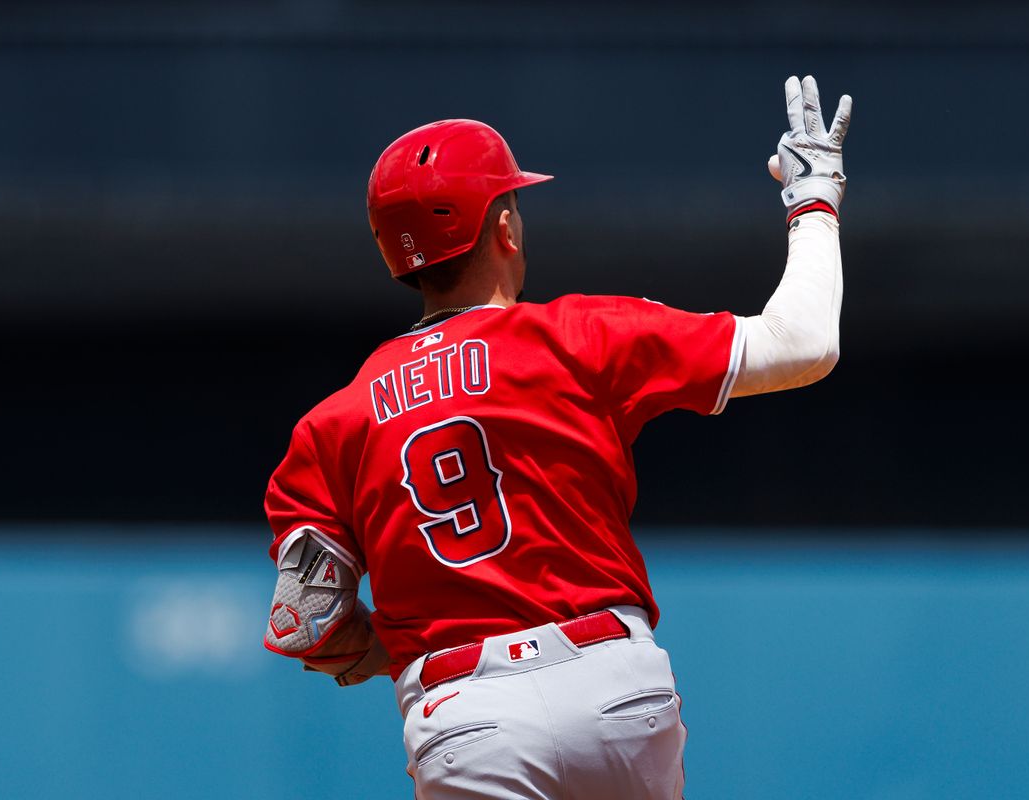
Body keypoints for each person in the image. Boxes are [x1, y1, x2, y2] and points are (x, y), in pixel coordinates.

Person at [263, 75, 851, 799]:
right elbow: (804, 342)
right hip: (613, 692)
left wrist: (401, 638)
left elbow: (305, 624)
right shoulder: (578, 336)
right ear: (504, 228)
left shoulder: (335, 422)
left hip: (467, 714)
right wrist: (813, 202)